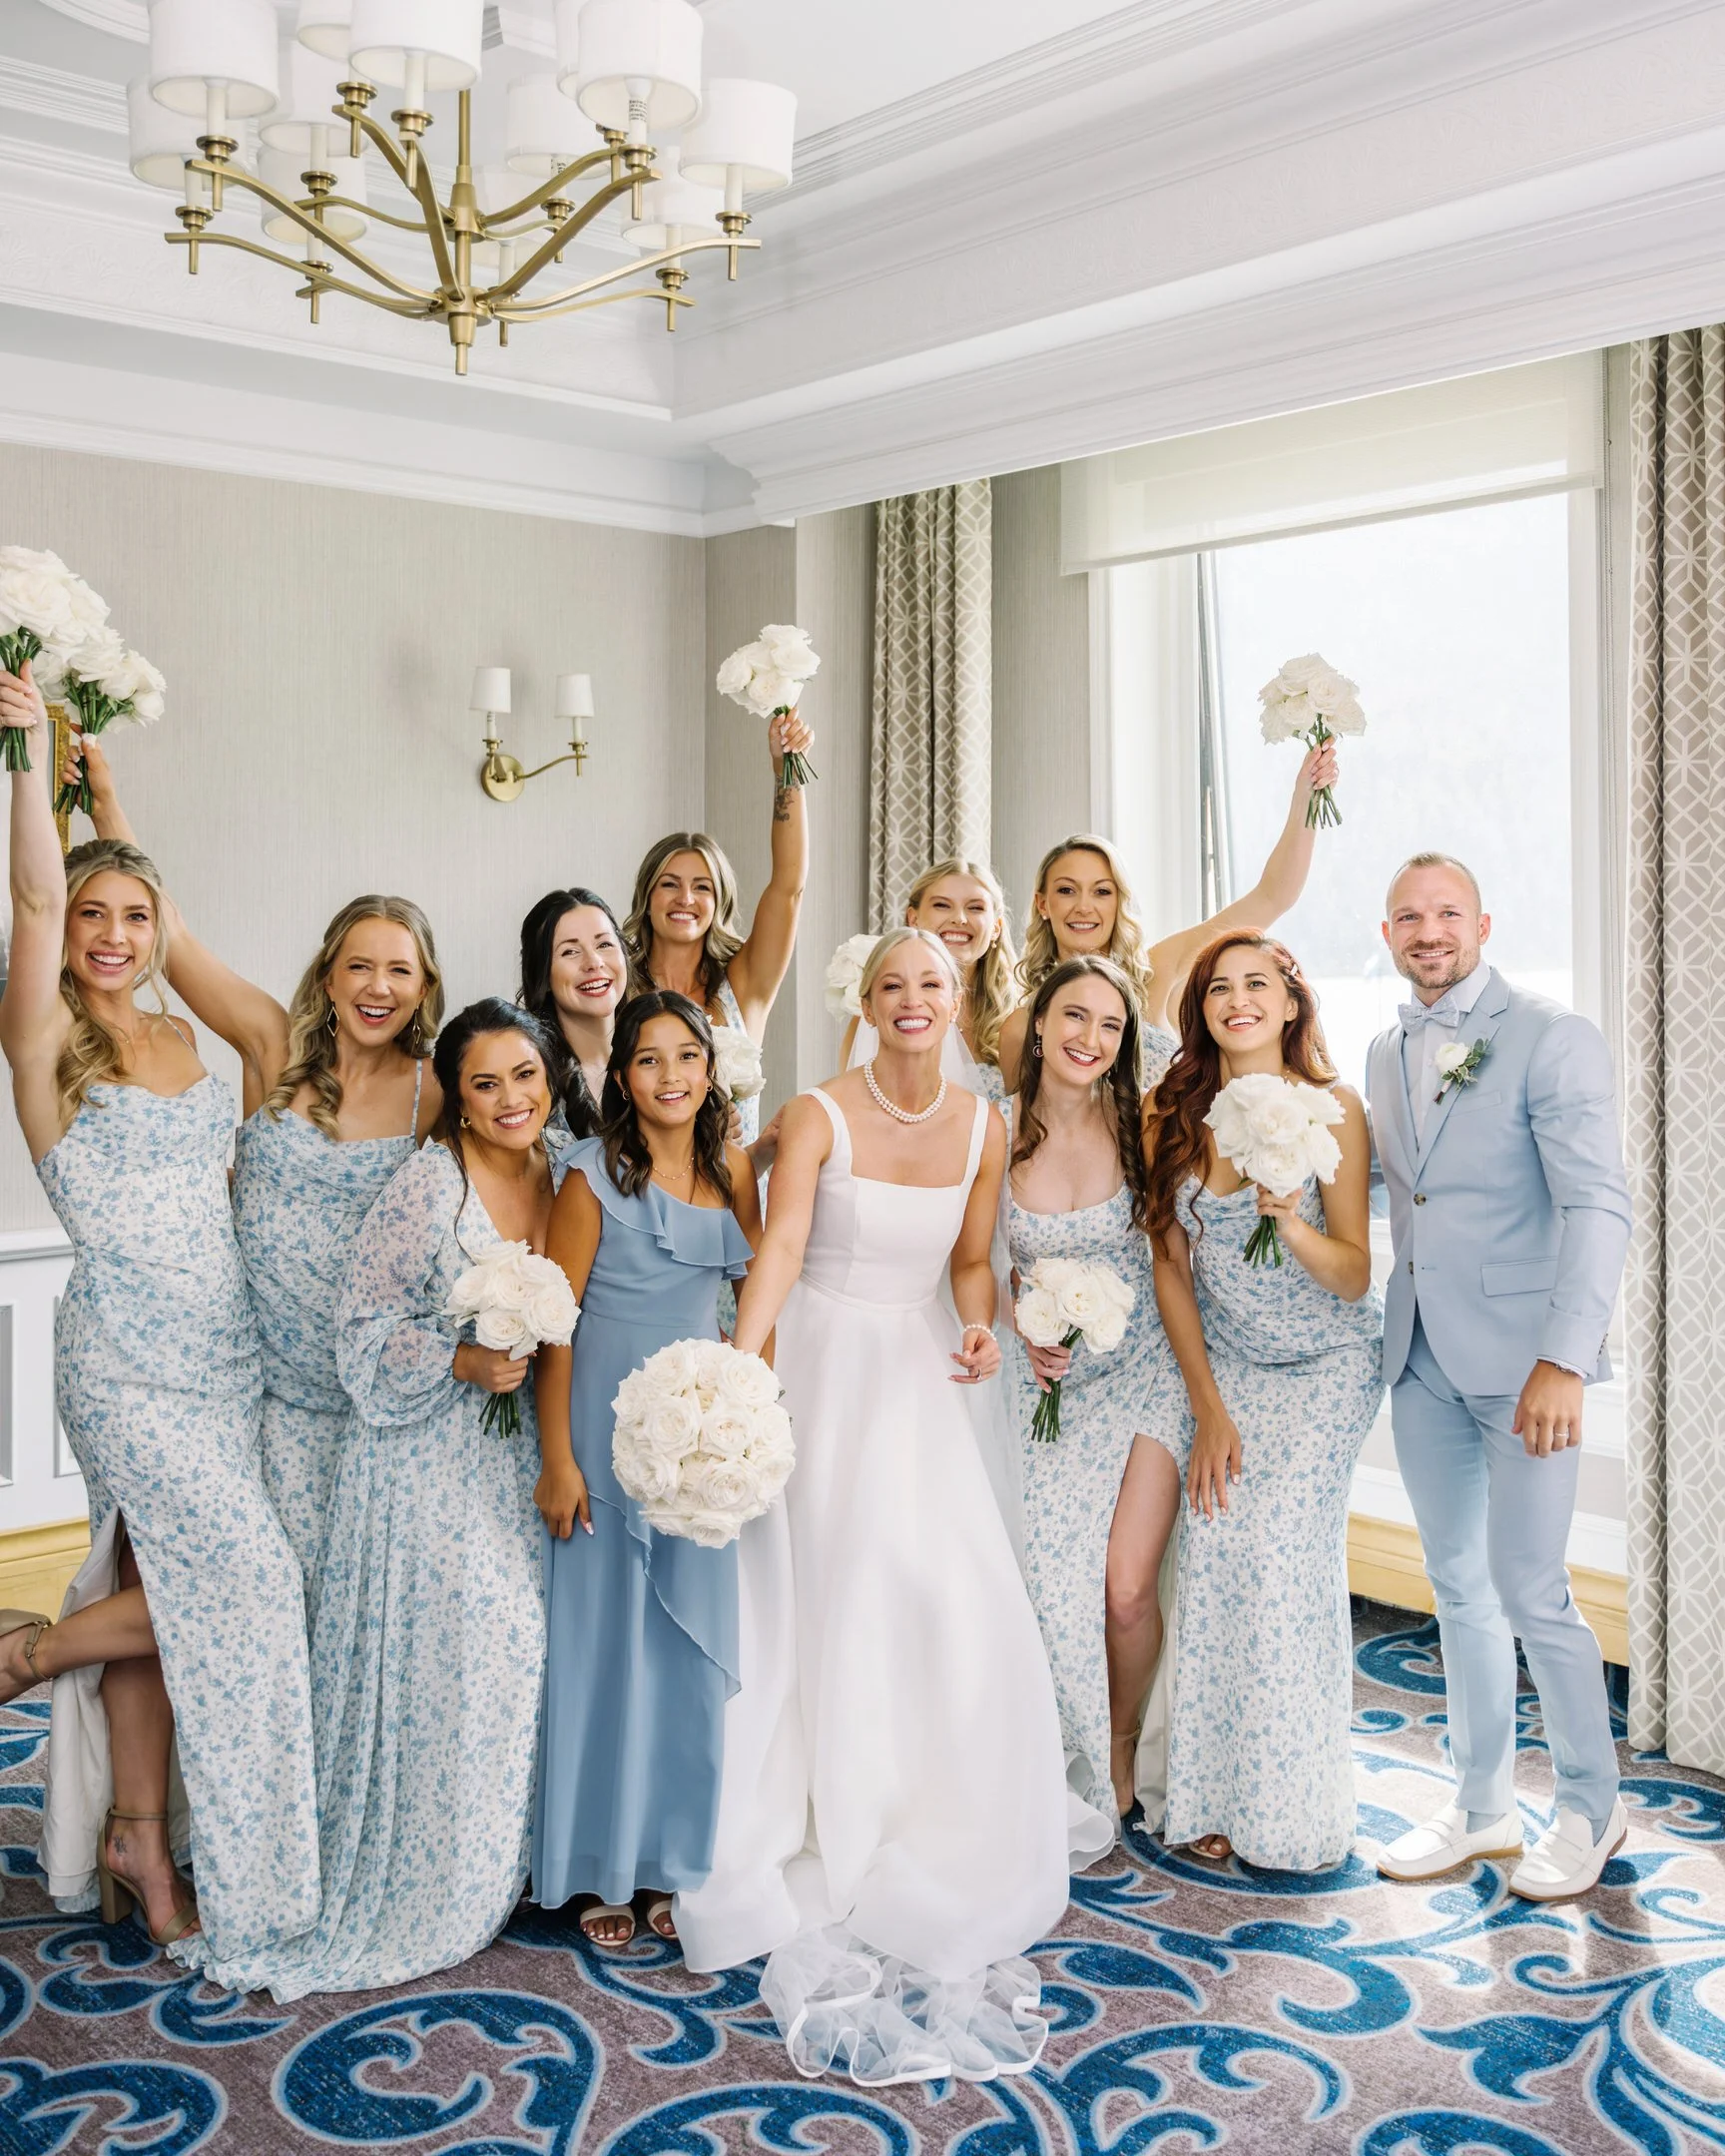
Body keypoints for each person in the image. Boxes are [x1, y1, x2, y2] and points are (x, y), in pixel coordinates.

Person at [677, 927, 1111, 2085]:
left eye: (931, 984)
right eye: (891, 986)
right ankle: (820, 1802)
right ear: (864, 1002)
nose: (912, 1001)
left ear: (957, 997)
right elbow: (777, 1250)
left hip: (920, 1373)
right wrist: (744, 1370)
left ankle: (928, 1799)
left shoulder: (984, 1122)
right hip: (821, 1361)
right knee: (840, 1583)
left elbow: (973, 1263)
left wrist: (982, 1323)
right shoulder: (819, 1112)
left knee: (949, 1593)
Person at [0, 665, 316, 1958]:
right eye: (95, 914)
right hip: (125, 1363)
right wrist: (26, 758)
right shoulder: (42, 1042)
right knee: (249, 1579)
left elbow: (276, 1028)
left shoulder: (196, 1038)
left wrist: (116, 810)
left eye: (137, 913)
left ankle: (138, 1834)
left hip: (227, 1356)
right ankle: (26, 1656)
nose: (116, 933)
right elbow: (32, 893)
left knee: (160, 1574)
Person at [187, 1002, 560, 1998]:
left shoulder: (562, 1171)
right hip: (423, 1458)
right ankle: (434, 1879)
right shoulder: (428, 1183)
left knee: (518, 1659)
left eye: (524, 1076)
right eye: (484, 1084)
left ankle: (500, 1863)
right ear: (456, 1098)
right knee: (484, 1644)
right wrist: (462, 1356)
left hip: (515, 1461)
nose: (509, 1099)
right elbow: (360, 1331)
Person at [72, 729, 443, 1589]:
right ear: (329, 973)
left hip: (364, 1398)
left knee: (330, 1596)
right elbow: (167, 933)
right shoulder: (273, 1045)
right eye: (359, 966)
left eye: (399, 971)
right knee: (225, 1584)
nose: (377, 988)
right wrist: (105, 803)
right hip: (247, 1385)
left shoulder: (438, 1094)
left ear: (425, 986)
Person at [1370, 854, 1630, 1900]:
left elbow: (1598, 1204)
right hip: (1422, 1354)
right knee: (1459, 1590)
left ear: (1484, 921)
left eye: (1446, 914)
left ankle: (1590, 1808)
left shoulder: (1551, 1036)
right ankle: (1480, 1807)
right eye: (1407, 917)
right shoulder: (1387, 1049)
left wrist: (1566, 1359)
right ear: (1385, 932)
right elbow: (1415, 1201)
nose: (1428, 931)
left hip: (1528, 1365)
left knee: (1533, 1589)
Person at [1146, 931, 1381, 1872]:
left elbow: (1356, 1276)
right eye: (1217, 989)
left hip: (1327, 1364)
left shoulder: (1338, 1110)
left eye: (1258, 985)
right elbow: (1169, 1268)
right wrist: (1208, 1405)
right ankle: (1210, 1794)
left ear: (1291, 1004)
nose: (1237, 1000)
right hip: (1232, 1368)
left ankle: (1293, 1808)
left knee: (1282, 1547)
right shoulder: (1172, 1112)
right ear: (1201, 1011)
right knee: (1215, 1543)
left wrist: (1289, 1219)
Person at [531, 992, 760, 1947]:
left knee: (685, 1653)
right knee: (603, 1649)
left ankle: (673, 1858)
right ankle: (597, 1869)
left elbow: (760, 1290)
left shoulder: (731, 1168)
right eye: (651, 1060)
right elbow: (555, 1329)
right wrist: (558, 1458)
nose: (672, 1077)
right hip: (601, 1435)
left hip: (699, 1443)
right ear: (621, 1075)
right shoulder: (588, 1180)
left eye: (688, 1058)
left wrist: (745, 1415)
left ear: (710, 1070)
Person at [1006, 956, 1178, 1827]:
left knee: (1124, 1588)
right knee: (1044, 1581)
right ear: (1038, 1024)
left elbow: (1175, 1257)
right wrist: (1020, 1321)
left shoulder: (1141, 1123)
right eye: (1075, 1017)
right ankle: (1043, 1747)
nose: (1090, 1039)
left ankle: (1117, 1741)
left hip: (1148, 1372)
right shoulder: (993, 1132)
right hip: (1051, 1390)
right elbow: (973, 1259)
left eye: (1111, 1026)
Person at [997, 743, 1339, 1089]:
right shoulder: (1022, 1024)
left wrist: (1304, 802)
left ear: (1119, 903)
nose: (1084, 907)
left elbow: (1272, 896)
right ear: (1043, 904)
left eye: (1102, 891)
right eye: (1067, 890)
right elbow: (1020, 1130)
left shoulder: (1153, 974)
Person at [624, 707, 815, 1159]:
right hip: (642, 1190)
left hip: (736, 1200)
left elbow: (789, 884)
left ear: (718, 902)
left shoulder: (744, 983)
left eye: (701, 887)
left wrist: (785, 771)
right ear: (647, 897)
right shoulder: (619, 986)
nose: (685, 899)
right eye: (669, 884)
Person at [842, 856, 1017, 1098]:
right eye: (942, 905)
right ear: (913, 919)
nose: (960, 918)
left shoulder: (1018, 1018)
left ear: (996, 927)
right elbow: (852, 1108)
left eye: (975, 907)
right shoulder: (883, 1014)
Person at [519, 885, 629, 1153]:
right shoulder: (529, 1079)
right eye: (570, 952)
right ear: (542, 975)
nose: (593, 963)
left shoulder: (660, 1061)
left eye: (604, 944)